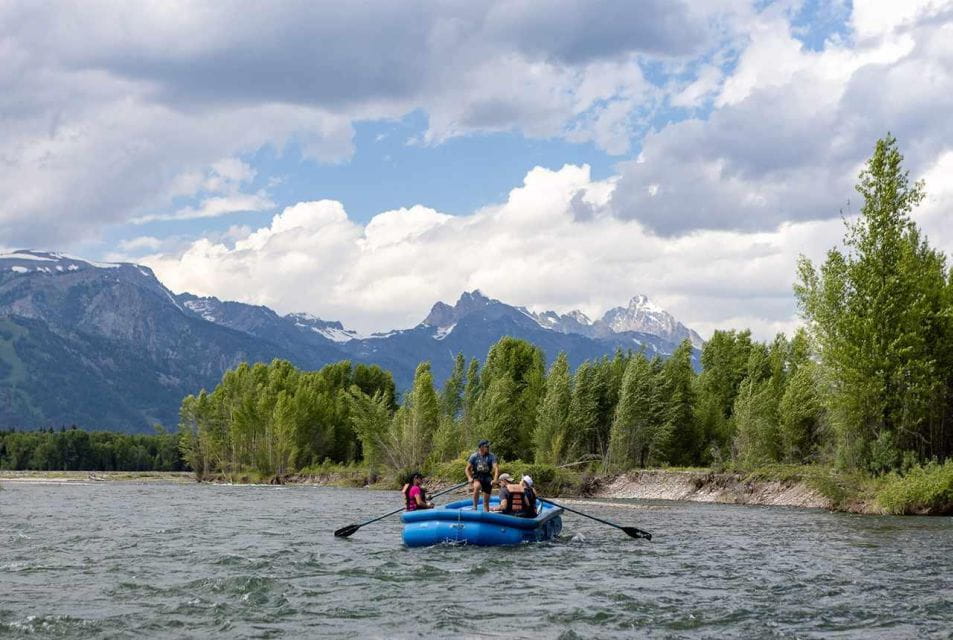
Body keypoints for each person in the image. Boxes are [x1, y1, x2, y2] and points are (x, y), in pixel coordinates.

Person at [466, 439, 498, 511]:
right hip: (477, 477)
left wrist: (495, 479)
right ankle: (474, 507)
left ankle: (486, 513)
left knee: (486, 504)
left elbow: (496, 468)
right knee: (477, 487)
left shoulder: (491, 456)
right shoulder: (474, 456)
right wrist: (469, 478)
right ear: (481, 447)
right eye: (487, 446)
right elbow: (467, 469)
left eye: (488, 446)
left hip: (487, 477)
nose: (488, 448)